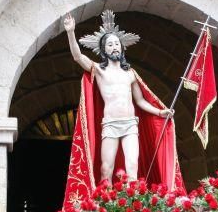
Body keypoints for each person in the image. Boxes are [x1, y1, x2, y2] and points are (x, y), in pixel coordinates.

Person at [64, 10, 173, 183]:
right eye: (110, 44)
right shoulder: (99, 70)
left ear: (122, 47)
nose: (114, 47)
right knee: (106, 168)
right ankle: (105, 207)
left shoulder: (130, 73)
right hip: (110, 124)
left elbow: (140, 101)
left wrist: (160, 112)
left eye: (117, 44)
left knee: (132, 167)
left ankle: (132, 207)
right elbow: (78, 57)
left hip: (130, 124)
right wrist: (71, 32)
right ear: (103, 50)